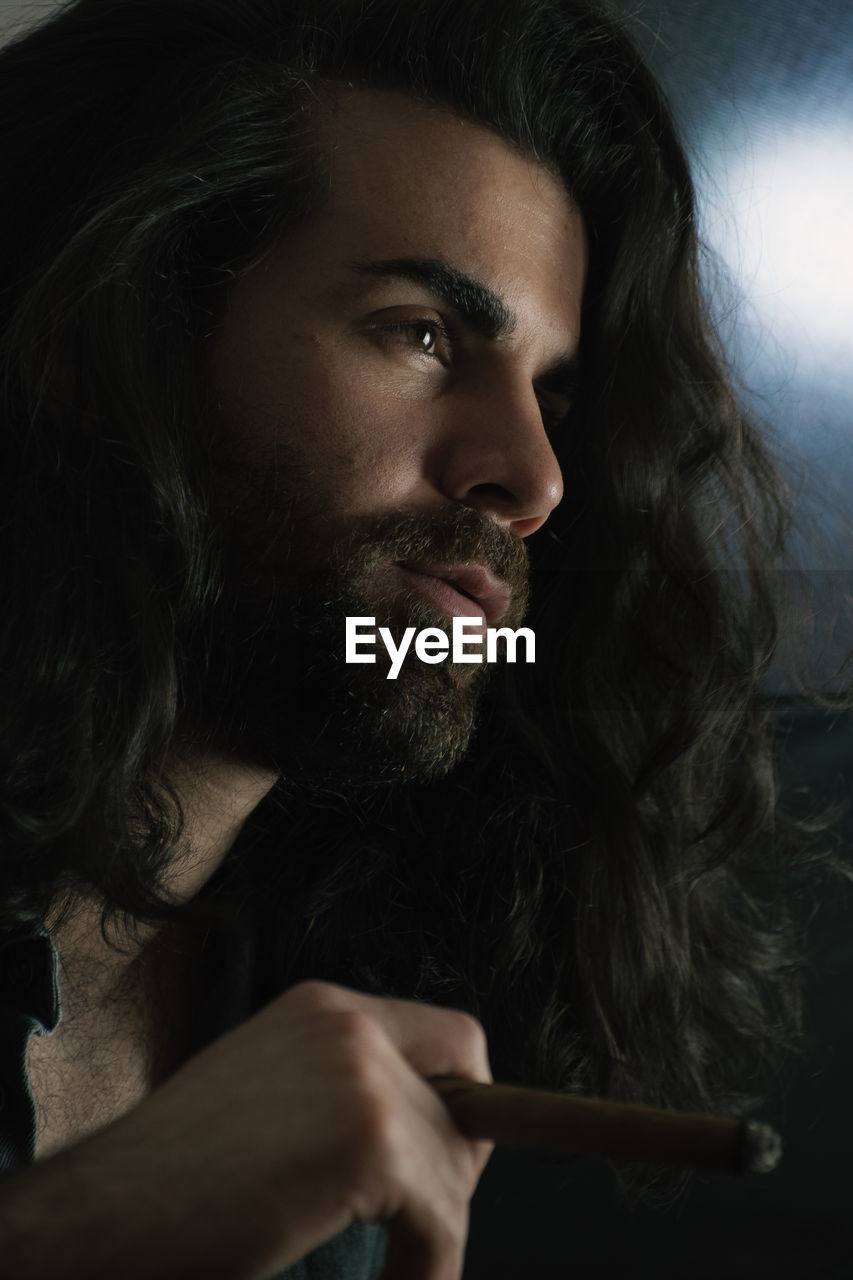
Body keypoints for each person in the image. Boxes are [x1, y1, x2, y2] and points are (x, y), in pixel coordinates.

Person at [0, 0, 829, 1276]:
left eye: (552, 396)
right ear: (106, 331)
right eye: (423, 333)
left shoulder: (359, 1000)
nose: (531, 477)